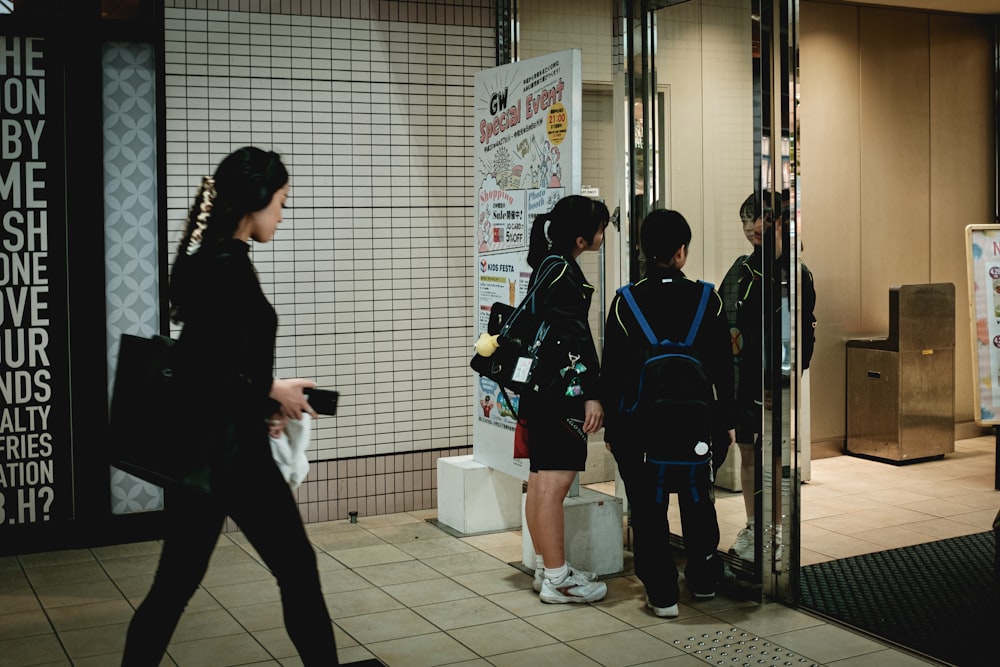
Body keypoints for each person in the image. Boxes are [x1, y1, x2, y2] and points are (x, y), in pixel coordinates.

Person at [121, 147, 339, 666]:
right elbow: (209, 371)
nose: (283, 215)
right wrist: (273, 391)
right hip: (232, 457)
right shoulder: (228, 267)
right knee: (297, 571)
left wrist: (269, 390)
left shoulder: (214, 258)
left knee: (174, 586)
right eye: (282, 203)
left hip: (205, 457)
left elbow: (216, 362)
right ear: (257, 201)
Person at [602, 209, 735, 618]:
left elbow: (613, 371)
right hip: (698, 426)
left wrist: (613, 427)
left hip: (640, 430)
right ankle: (703, 578)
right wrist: (725, 421)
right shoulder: (706, 299)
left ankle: (661, 593)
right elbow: (722, 367)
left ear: (643, 250)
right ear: (681, 252)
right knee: (698, 500)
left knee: (647, 507)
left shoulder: (626, 302)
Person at [521, 194, 609, 604]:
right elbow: (574, 337)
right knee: (553, 486)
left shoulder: (547, 266)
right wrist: (591, 393)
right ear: (580, 238)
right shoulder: (563, 274)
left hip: (538, 391)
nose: (602, 235)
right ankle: (558, 580)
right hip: (561, 394)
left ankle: (546, 569)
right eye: (599, 229)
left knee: (539, 484)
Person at [722, 191, 816, 562]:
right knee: (748, 455)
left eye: (759, 218)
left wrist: (787, 381)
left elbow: (803, 335)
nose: (751, 227)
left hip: (778, 383)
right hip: (742, 382)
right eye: (746, 220)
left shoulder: (796, 273)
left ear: (781, 221)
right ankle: (752, 525)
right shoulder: (741, 270)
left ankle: (775, 531)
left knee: (775, 459)